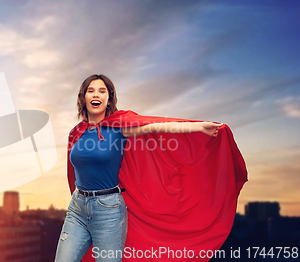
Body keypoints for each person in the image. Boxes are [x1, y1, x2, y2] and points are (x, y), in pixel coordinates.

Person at [55, 74, 247, 262]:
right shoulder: (76, 132)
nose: (96, 95)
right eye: (91, 91)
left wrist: (198, 127)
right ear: (84, 97)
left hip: (108, 211)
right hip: (77, 209)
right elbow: (73, 173)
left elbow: (156, 126)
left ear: (109, 98)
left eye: (102, 91)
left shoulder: (119, 127)